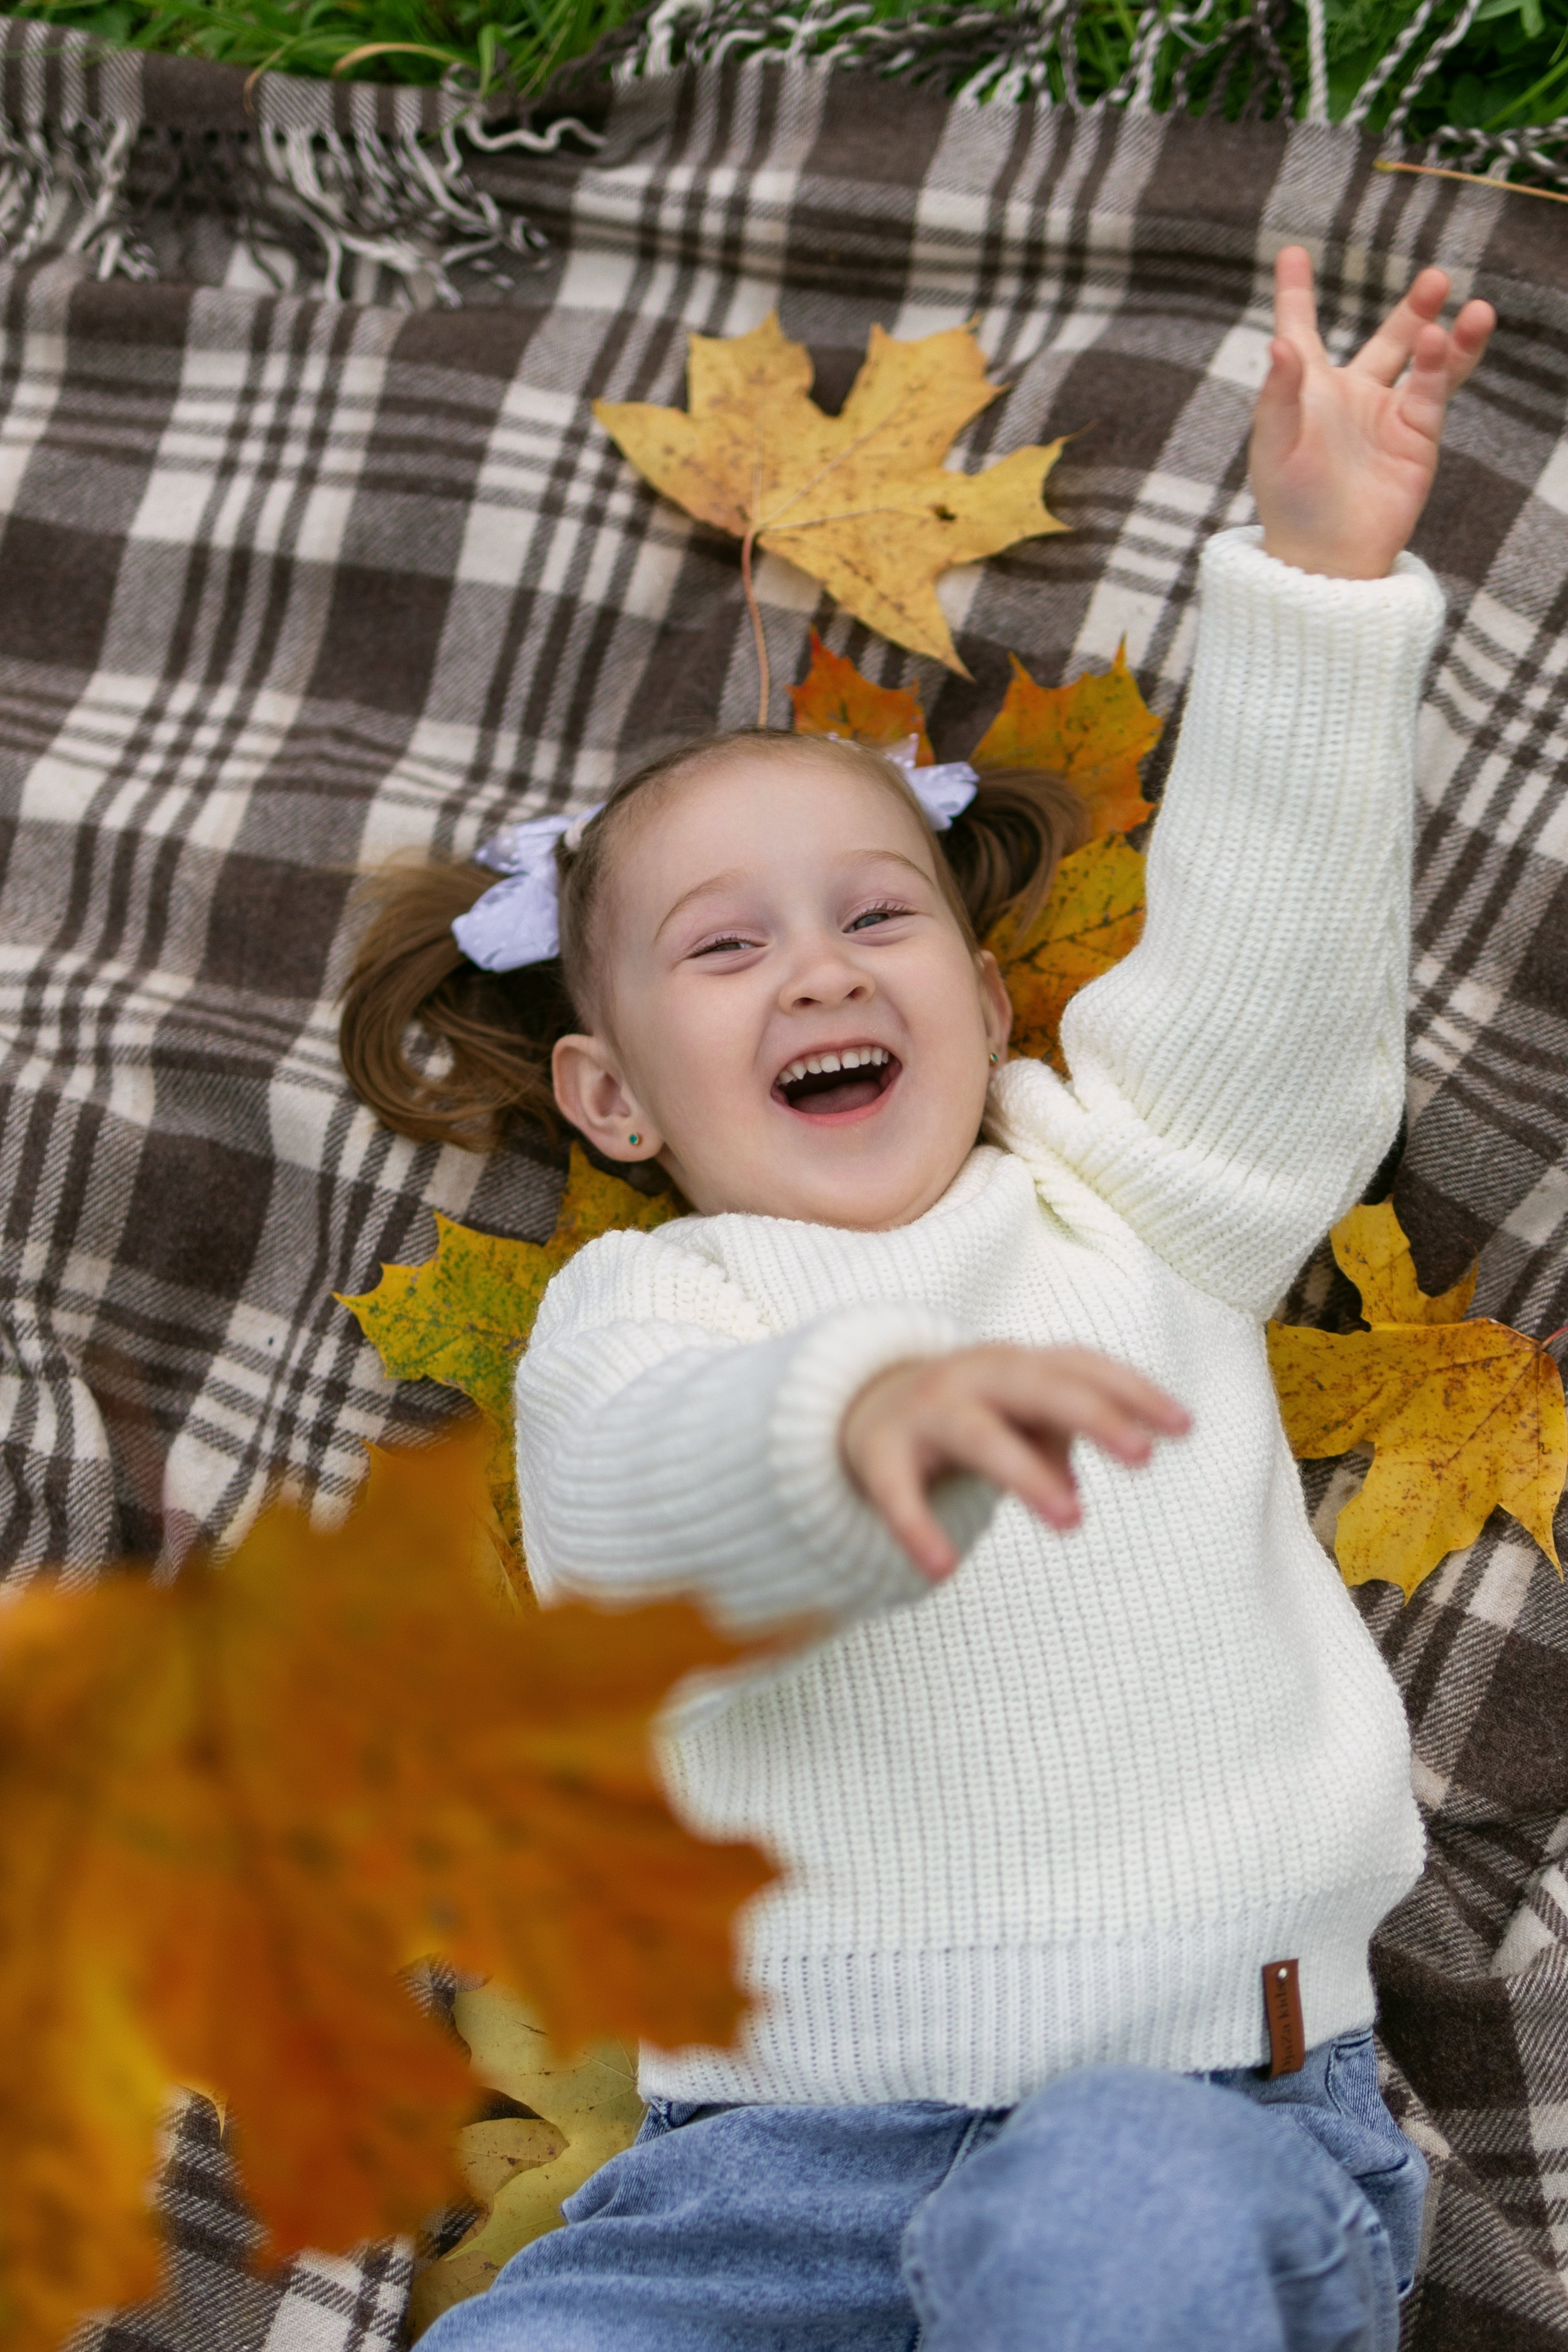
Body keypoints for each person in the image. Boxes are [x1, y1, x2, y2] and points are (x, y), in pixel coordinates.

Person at [340, 248, 1494, 2351]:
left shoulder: (1127, 1204)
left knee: (1104, 2241)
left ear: (979, 996)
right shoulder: (642, 1320)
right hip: (759, 2180)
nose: (819, 970)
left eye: (878, 915)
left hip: (1189, 2116)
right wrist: (854, 1424)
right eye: (725, 948)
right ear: (606, 1093)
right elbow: (664, 1517)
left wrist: (1319, 586)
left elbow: (1276, 1002)